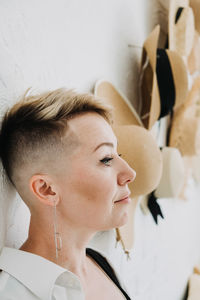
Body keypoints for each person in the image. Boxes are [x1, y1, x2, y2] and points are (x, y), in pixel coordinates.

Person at [0, 88, 136, 300]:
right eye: (106, 159)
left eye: (118, 154)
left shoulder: (101, 264)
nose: (130, 173)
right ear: (46, 189)